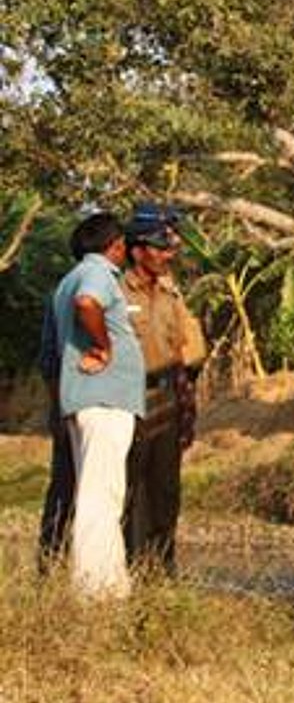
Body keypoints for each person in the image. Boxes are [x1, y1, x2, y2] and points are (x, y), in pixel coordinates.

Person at [51, 211, 145, 599]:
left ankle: (111, 586)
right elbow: (87, 303)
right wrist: (105, 346)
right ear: (115, 245)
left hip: (90, 398)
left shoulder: (68, 278)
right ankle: (96, 592)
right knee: (100, 497)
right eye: (123, 245)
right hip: (104, 398)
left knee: (100, 493)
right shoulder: (97, 275)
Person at [121, 204, 205, 575]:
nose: (169, 253)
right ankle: (130, 569)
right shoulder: (117, 292)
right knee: (130, 491)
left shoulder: (173, 294)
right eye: (161, 246)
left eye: (170, 246)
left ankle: (162, 569)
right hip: (128, 401)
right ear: (138, 250)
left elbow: (191, 348)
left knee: (165, 490)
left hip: (167, 401)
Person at [35, 224, 88, 572]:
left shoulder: (64, 287)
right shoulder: (84, 290)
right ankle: (52, 561)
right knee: (68, 486)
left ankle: (52, 562)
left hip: (70, 400)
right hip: (77, 401)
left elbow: (48, 359)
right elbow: (50, 359)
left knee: (67, 485)